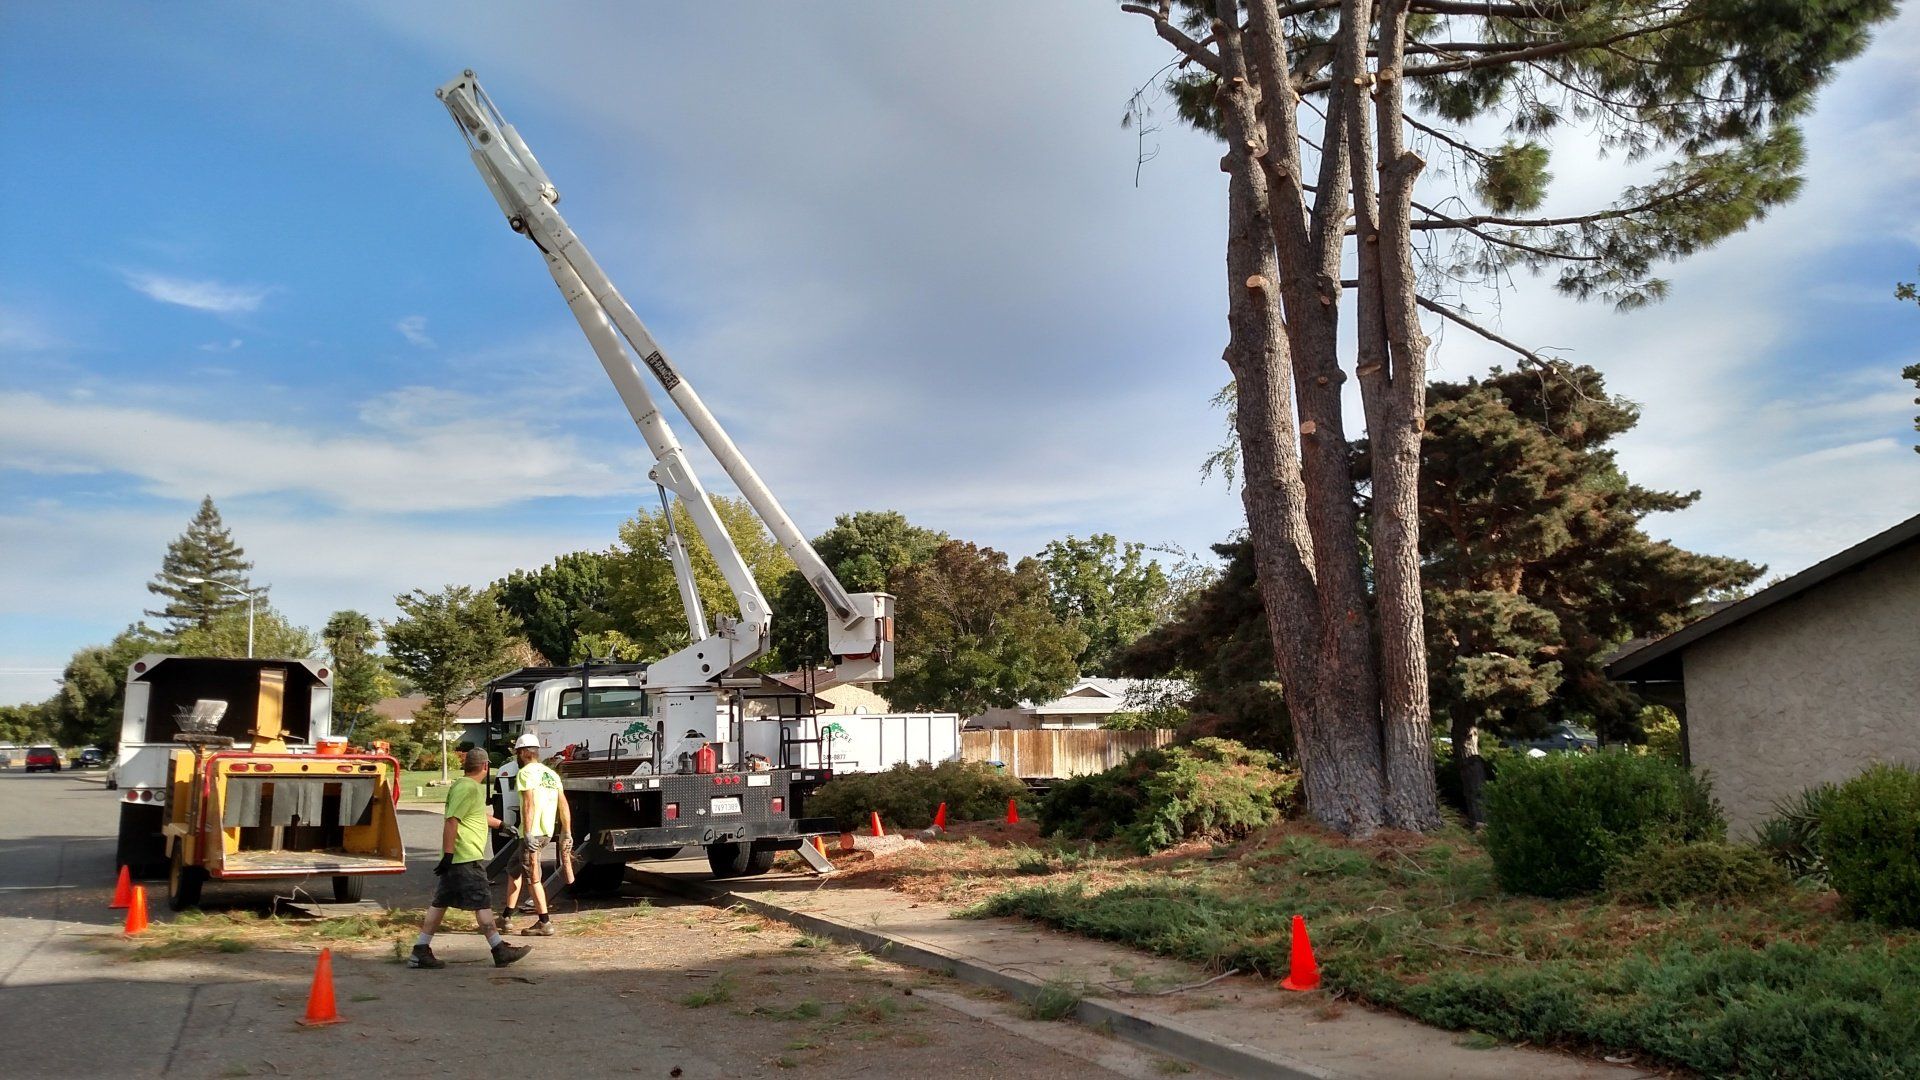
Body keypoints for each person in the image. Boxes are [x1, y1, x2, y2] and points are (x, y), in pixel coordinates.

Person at [409, 747, 531, 969]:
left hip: (458, 858)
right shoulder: (469, 789)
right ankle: (499, 949)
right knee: (482, 903)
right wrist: (448, 855)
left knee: (439, 904)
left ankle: (420, 950)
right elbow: (452, 820)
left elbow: (475, 815)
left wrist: (502, 825)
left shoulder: (462, 785)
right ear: (485, 766)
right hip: (465, 857)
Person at [502, 732, 571, 936]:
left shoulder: (525, 773)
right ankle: (506, 916)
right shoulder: (551, 774)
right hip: (547, 831)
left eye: (517, 752)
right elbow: (563, 804)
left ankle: (544, 922)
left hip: (532, 834)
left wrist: (529, 833)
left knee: (533, 878)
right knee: (513, 869)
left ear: (522, 753)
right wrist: (566, 832)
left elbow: (529, 803)